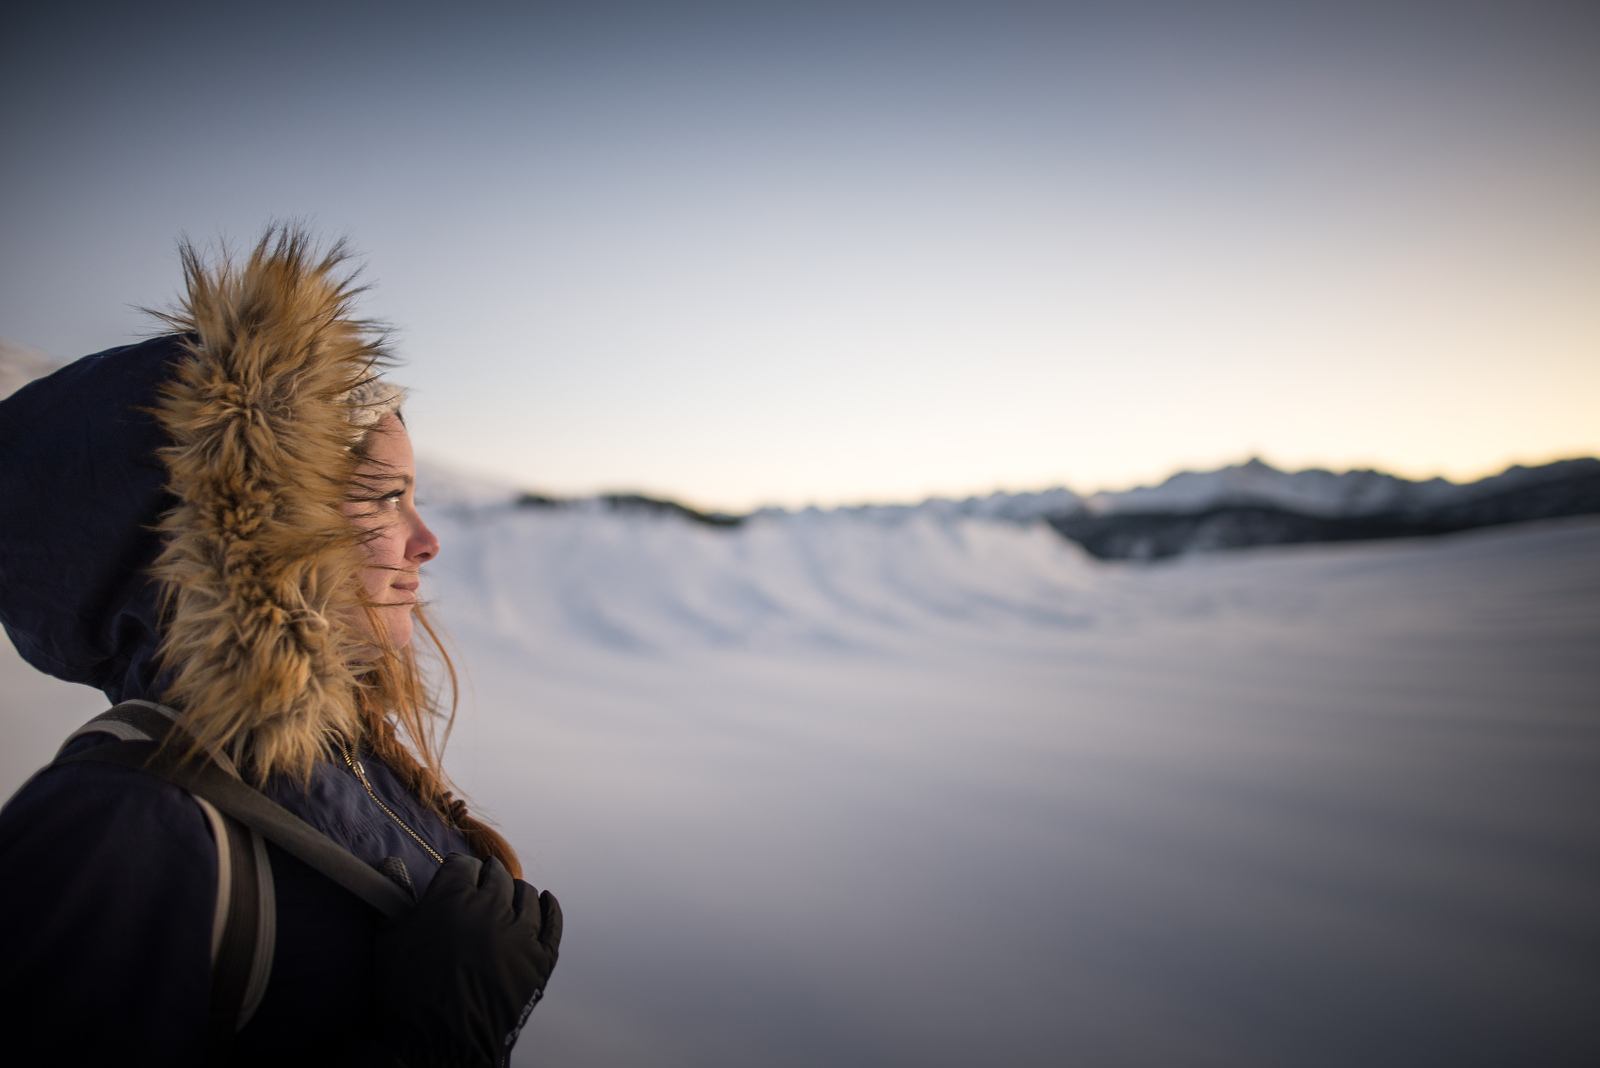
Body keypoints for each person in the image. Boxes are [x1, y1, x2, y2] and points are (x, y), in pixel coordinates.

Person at [0, 227, 561, 1064]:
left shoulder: (335, 756)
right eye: (383, 499)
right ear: (250, 541)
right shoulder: (121, 827)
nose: (426, 540)